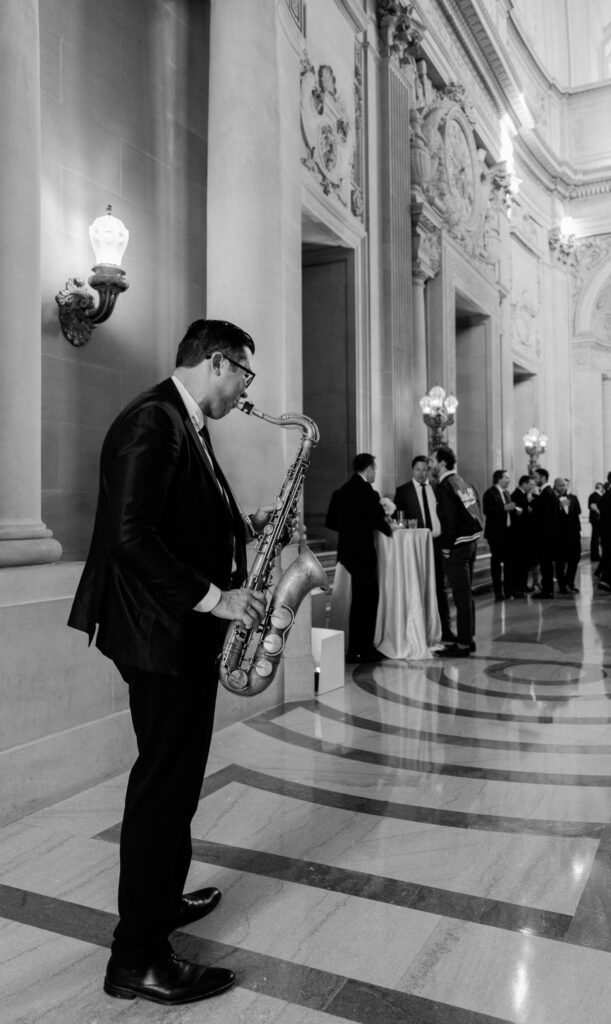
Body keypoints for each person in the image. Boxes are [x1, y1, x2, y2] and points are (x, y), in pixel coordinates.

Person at [68, 320, 272, 1005]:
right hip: (161, 637)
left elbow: (172, 517)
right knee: (164, 787)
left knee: (176, 783)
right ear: (217, 362)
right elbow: (128, 535)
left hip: (174, 633)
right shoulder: (152, 420)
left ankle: (157, 905)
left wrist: (243, 527)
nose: (246, 389)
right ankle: (138, 957)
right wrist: (217, 599)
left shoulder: (182, 421)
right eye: (244, 373)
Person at [325, 453, 393, 662]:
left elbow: (330, 522)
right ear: (369, 469)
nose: (375, 473)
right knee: (367, 601)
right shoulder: (368, 493)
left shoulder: (341, 492)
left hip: (346, 554)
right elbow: (378, 522)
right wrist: (390, 529)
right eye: (375, 468)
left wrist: (349, 528)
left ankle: (355, 648)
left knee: (355, 602)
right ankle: (364, 648)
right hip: (364, 554)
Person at [394, 455, 454, 642]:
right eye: (418, 469)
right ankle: (418, 631)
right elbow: (399, 521)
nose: (421, 473)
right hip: (415, 546)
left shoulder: (437, 488)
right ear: (413, 470)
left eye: (424, 469)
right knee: (417, 586)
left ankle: (445, 629)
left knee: (440, 587)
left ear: (429, 470)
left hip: (436, 543)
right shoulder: (403, 491)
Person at [431, 446, 483, 657]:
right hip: (471, 542)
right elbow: (476, 507)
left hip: (458, 546)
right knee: (466, 594)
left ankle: (462, 645)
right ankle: (467, 639)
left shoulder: (445, 485)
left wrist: (446, 546)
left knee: (461, 595)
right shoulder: (463, 481)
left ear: (443, 462)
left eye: (433, 460)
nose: (430, 465)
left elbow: (449, 518)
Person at [482, 469, 518, 600]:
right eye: (506, 478)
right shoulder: (490, 493)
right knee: (496, 562)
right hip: (495, 533)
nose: (509, 480)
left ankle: (509, 590)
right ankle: (498, 591)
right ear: (499, 479)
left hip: (508, 532)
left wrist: (515, 510)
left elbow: (508, 508)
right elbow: (487, 511)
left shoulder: (507, 493)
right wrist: (504, 508)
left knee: (509, 562)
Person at [531, 467, 560, 598]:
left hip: (545, 536)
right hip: (548, 535)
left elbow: (545, 517)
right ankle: (548, 589)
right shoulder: (547, 493)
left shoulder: (546, 493)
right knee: (546, 564)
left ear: (543, 478)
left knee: (545, 564)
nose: (534, 480)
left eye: (536, 477)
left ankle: (547, 590)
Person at [553, 477, 582, 593]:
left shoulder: (573, 498)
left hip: (573, 533)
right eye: (560, 485)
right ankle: (562, 585)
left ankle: (570, 581)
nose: (563, 487)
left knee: (575, 559)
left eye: (564, 485)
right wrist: (559, 506)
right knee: (560, 561)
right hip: (559, 535)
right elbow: (550, 514)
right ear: (555, 486)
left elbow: (578, 512)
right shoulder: (553, 499)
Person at [509, 474, 536, 596]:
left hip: (526, 535)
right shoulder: (516, 495)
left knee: (524, 563)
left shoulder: (524, 495)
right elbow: (518, 515)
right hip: (519, 535)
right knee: (519, 562)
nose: (532, 486)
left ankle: (523, 585)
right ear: (524, 484)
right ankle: (518, 586)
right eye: (531, 484)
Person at [587, 482, 604, 563]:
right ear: (600, 487)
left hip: (595, 519)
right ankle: (595, 555)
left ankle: (596, 554)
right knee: (595, 537)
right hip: (596, 519)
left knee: (596, 537)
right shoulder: (595, 496)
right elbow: (592, 506)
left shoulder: (593, 495)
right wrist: (600, 512)